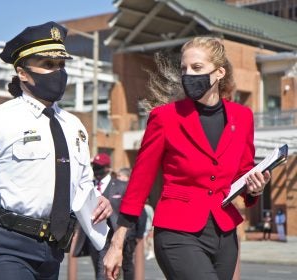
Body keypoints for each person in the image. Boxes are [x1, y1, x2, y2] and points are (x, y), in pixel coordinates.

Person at [0, 21, 112, 280]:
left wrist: (100, 205)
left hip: (51, 252)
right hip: (1, 247)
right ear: (22, 72)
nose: (57, 72)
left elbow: (82, 187)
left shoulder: (74, 126)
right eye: (48, 65)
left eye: (61, 65)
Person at [104, 36, 271, 280]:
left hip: (224, 233)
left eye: (197, 68)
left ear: (219, 72)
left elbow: (243, 173)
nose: (188, 74)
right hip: (176, 232)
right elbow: (140, 181)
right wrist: (117, 243)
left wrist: (255, 188)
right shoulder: (165, 117)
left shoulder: (242, 117)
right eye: (184, 69)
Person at [73, 154, 146, 280]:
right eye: (94, 166)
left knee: (126, 268)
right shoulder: (88, 187)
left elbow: (138, 210)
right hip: (96, 238)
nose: (96, 170)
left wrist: (135, 236)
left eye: (99, 167)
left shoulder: (121, 186)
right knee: (101, 272)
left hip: (119, 237)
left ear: (108, 168)